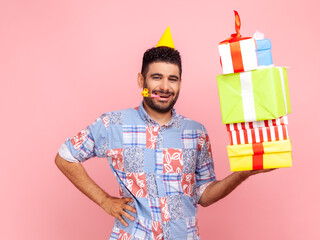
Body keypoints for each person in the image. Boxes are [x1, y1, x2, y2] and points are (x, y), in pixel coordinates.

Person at [55, 28, 273, 240]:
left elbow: (203, 195)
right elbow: (65, 156)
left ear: (180, 83)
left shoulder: (196, 132)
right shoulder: (113, 124)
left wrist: (243, 173)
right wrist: (104, 200)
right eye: (156, 77)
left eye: (173, 79)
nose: (164, 86)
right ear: (142, 81)